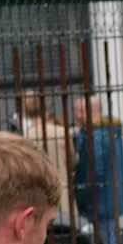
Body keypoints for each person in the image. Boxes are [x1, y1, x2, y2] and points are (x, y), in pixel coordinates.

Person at [70, 96, 123, 244]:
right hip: (107, 197)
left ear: (93, 111)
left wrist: (81, 190)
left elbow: (95, 170)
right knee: (108, 241)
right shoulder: (108, 133)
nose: (76, 116)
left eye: (79, 111)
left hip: (99, 200)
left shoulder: (97, 137)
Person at [11, 93, 75, 225]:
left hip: (36, 193)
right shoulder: (61, 132)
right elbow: (72, 161)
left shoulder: (23, 137)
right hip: (61, 190)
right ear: (45, 109)